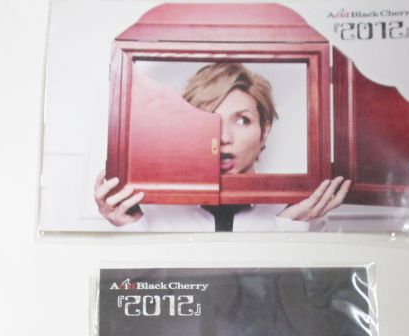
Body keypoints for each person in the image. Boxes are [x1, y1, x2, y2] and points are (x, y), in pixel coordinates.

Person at [94, 63, 351, 231]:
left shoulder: (301, 212)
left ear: (264, 132)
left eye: (242, 120)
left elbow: (301, 293)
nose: (223, 136)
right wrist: (132, 228)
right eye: (208, 119)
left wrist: (289, 229)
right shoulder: (149, 210)